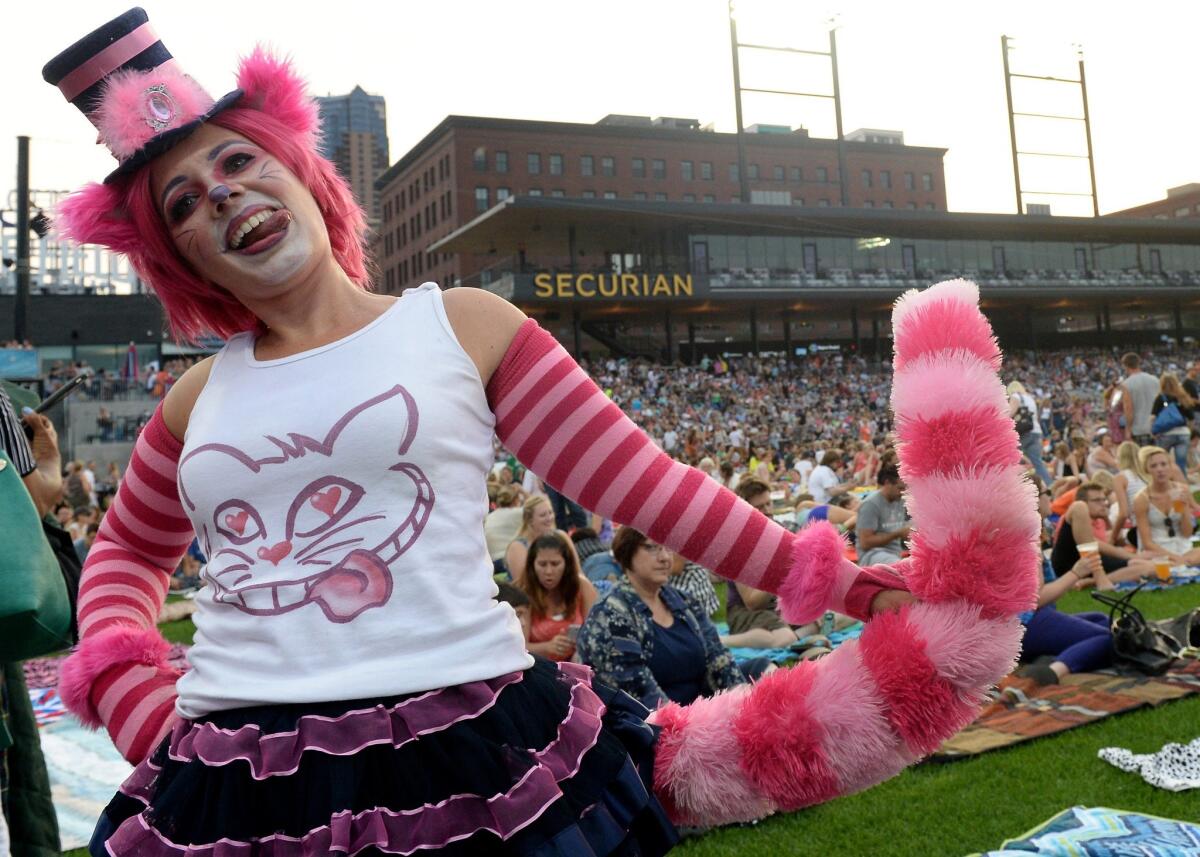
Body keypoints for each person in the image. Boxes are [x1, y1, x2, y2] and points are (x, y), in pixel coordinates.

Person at [47, 12, 1021, 844]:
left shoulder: (460, 325)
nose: (220, 192)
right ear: (183, 260)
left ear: (302, 169)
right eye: (183, 201)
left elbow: (646, 486)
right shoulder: (192, 400)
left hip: (467, 743)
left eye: (237, 160)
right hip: (231, 777)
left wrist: (844, 581)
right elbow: (127, 549)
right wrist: (131, 692)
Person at [577, 527, 748, 709]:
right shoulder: (610, 615)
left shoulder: (684, 602)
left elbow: (719, 656)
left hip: (704, 708)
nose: (665, 557)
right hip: (656, 725)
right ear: (627, 553)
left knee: (761, 673)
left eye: (668, 549)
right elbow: (640, 693)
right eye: (652, 548)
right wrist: (692, 726)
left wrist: (743, 707)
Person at [1018, 479, 1113, 685]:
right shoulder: (1025, 541)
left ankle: (1047, 656)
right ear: (1034, 498)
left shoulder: (1027, 532)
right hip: (1024, 625)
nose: (1051, 496)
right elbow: (1034, 599)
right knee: (1109, 639)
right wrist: (1076, 573)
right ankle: (1053, 671)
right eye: (1047, 492)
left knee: (1101, 619)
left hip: (1022, 624)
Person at [1050, 480, 1154, 586]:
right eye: (1097, 500)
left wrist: (1107, 520)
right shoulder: (1075, 514)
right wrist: (1133, 556)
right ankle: (1099, 579)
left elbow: (1111, 543)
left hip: (1095, 561)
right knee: (1138, 562)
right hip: (1072, 564)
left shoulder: (1099, 520)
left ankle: (1091, 582)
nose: (1104, 504)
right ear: (1084, 502)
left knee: (1150, 568)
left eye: (1104, 500)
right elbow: (1096, 544)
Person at [519, 532, 598, 661]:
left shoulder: (582, 586)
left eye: (555, 564)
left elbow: (596, 632)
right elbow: (518, 647)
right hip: (539, 668)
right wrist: (547, 647)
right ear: (532, 566)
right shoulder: (524, 592)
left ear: (566, 565)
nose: (549, 571)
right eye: (542, 564)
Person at [1132, 446, 1200, 566]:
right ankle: (1183, 563)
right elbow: (1147, 543)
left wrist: (1184, 509)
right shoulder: (1142, 499)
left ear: (1170, 466)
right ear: (1147, 469)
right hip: (1157, 550)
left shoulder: (1182, 489)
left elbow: (1187, 533)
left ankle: (1182, 563)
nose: (1160, 469)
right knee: (1144, 564)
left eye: (1164, 464)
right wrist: (1175, 558)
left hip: (1182, 546)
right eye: (1154, 466)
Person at [856, 464, 910, 567]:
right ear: (887, 483)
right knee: (903, 568)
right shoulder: (871, 504)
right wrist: (897, 534)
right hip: (872, 555)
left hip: (893, 554)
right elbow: (865, 543)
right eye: (900, 488)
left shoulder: (899, 501)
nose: (903, 493)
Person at [505, 494, 558, 585]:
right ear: (529, 520)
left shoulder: (559, 537)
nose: (549, 518)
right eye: (543, 515)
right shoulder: (518, 547)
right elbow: (523, 584)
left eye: (550, 512)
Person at [1151, 372, 1196, 475]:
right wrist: (1189, 431)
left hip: (1166, 434)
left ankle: (1167, 482)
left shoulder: (1160, 398)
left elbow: (1153, 417)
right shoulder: (1182, 397)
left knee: (1162, 462)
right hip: (1183, 433)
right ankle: (1182, 484)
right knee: (1181, 463)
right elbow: (1191, 418)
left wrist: (1152, 431)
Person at [1008, 381, 1052, 485]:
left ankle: (1011, 485)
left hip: (1024, 432)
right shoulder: (1030, 398)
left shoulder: (1015, 396)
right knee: (1038, 463)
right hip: (1036, 432)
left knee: (1009, 458)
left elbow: (1010, 413)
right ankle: (1049, 486)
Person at [1120, 352, 1160, 447]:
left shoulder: (1126, 384)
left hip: (1139, 429)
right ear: (1139, 363)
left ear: (1125, 366)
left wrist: (1128, 429)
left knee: (1143, 459)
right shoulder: (1155, 379)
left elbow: (1128, 409)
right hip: (1156, 426)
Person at [483, 484, 522, 576]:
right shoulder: (518, 513)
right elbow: (537, 506)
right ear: (516, 500)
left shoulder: (489, 517)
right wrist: (523, 492)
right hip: (509, 560)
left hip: (493, 565)